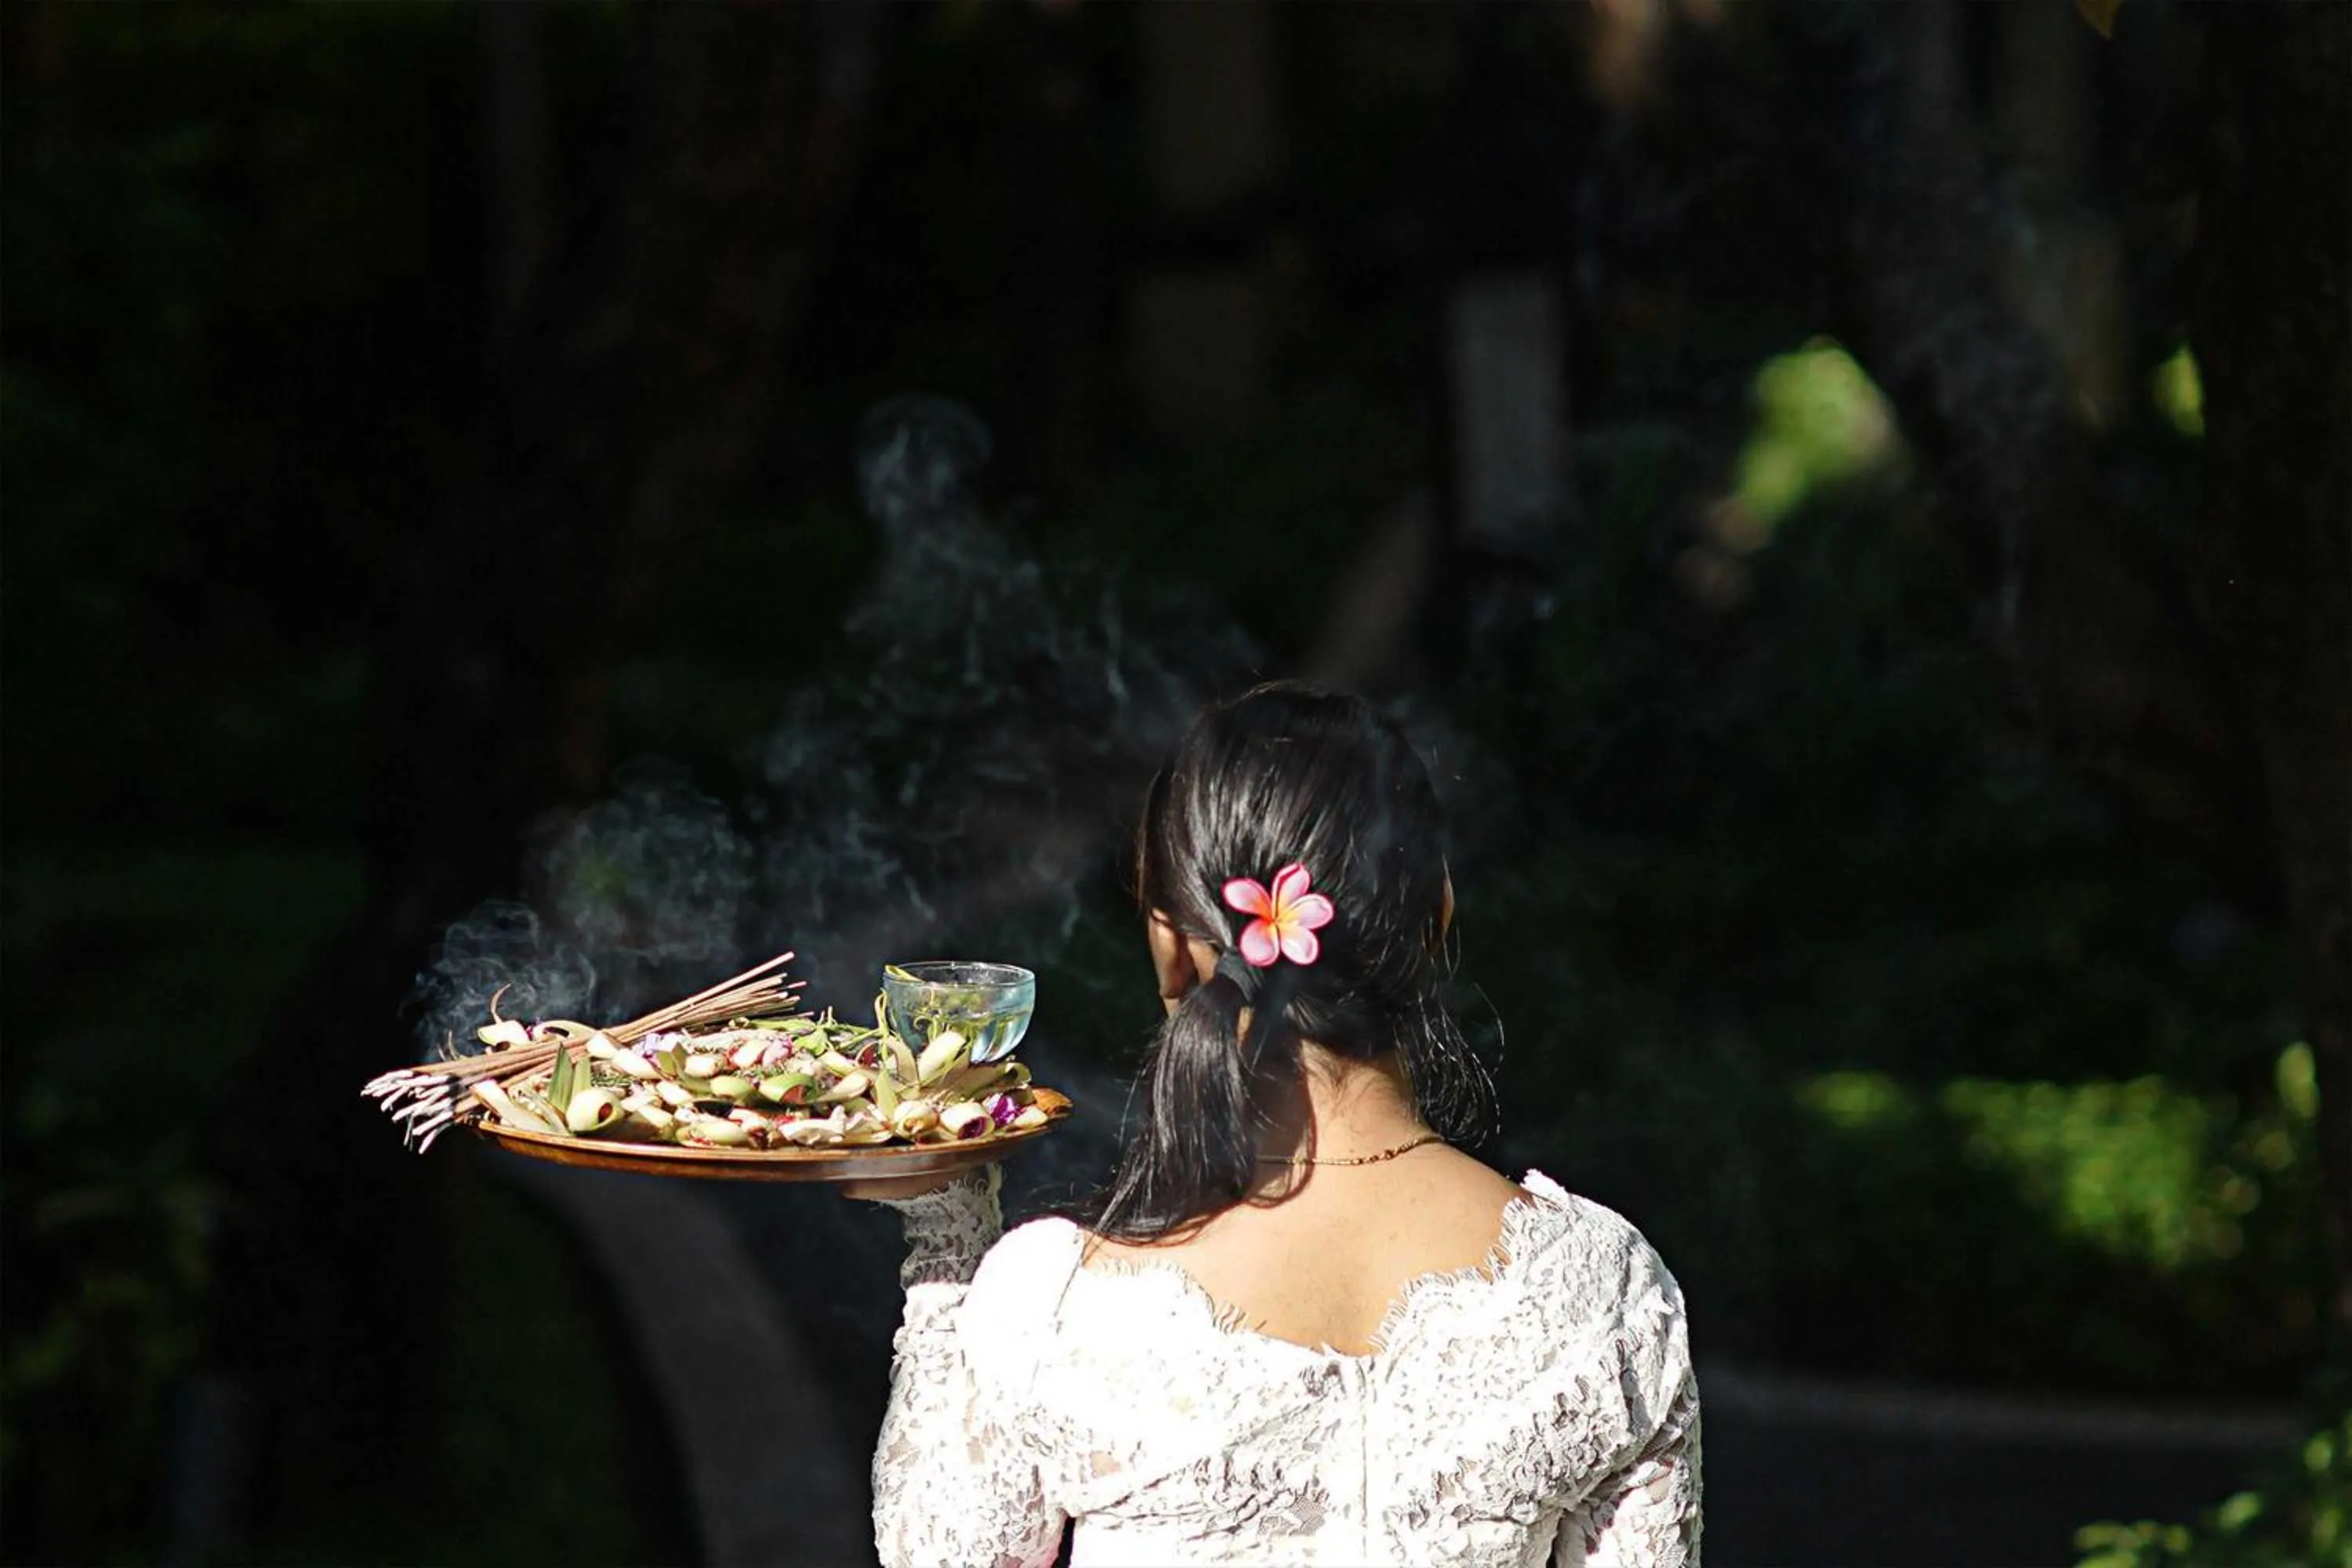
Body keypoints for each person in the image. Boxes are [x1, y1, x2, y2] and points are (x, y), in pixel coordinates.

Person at [854, 683, 1701, 1566]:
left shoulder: (1053, 1305)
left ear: (1171, 943)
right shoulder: (1612, 1294)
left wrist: (948, 1230)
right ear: (1438, 916)